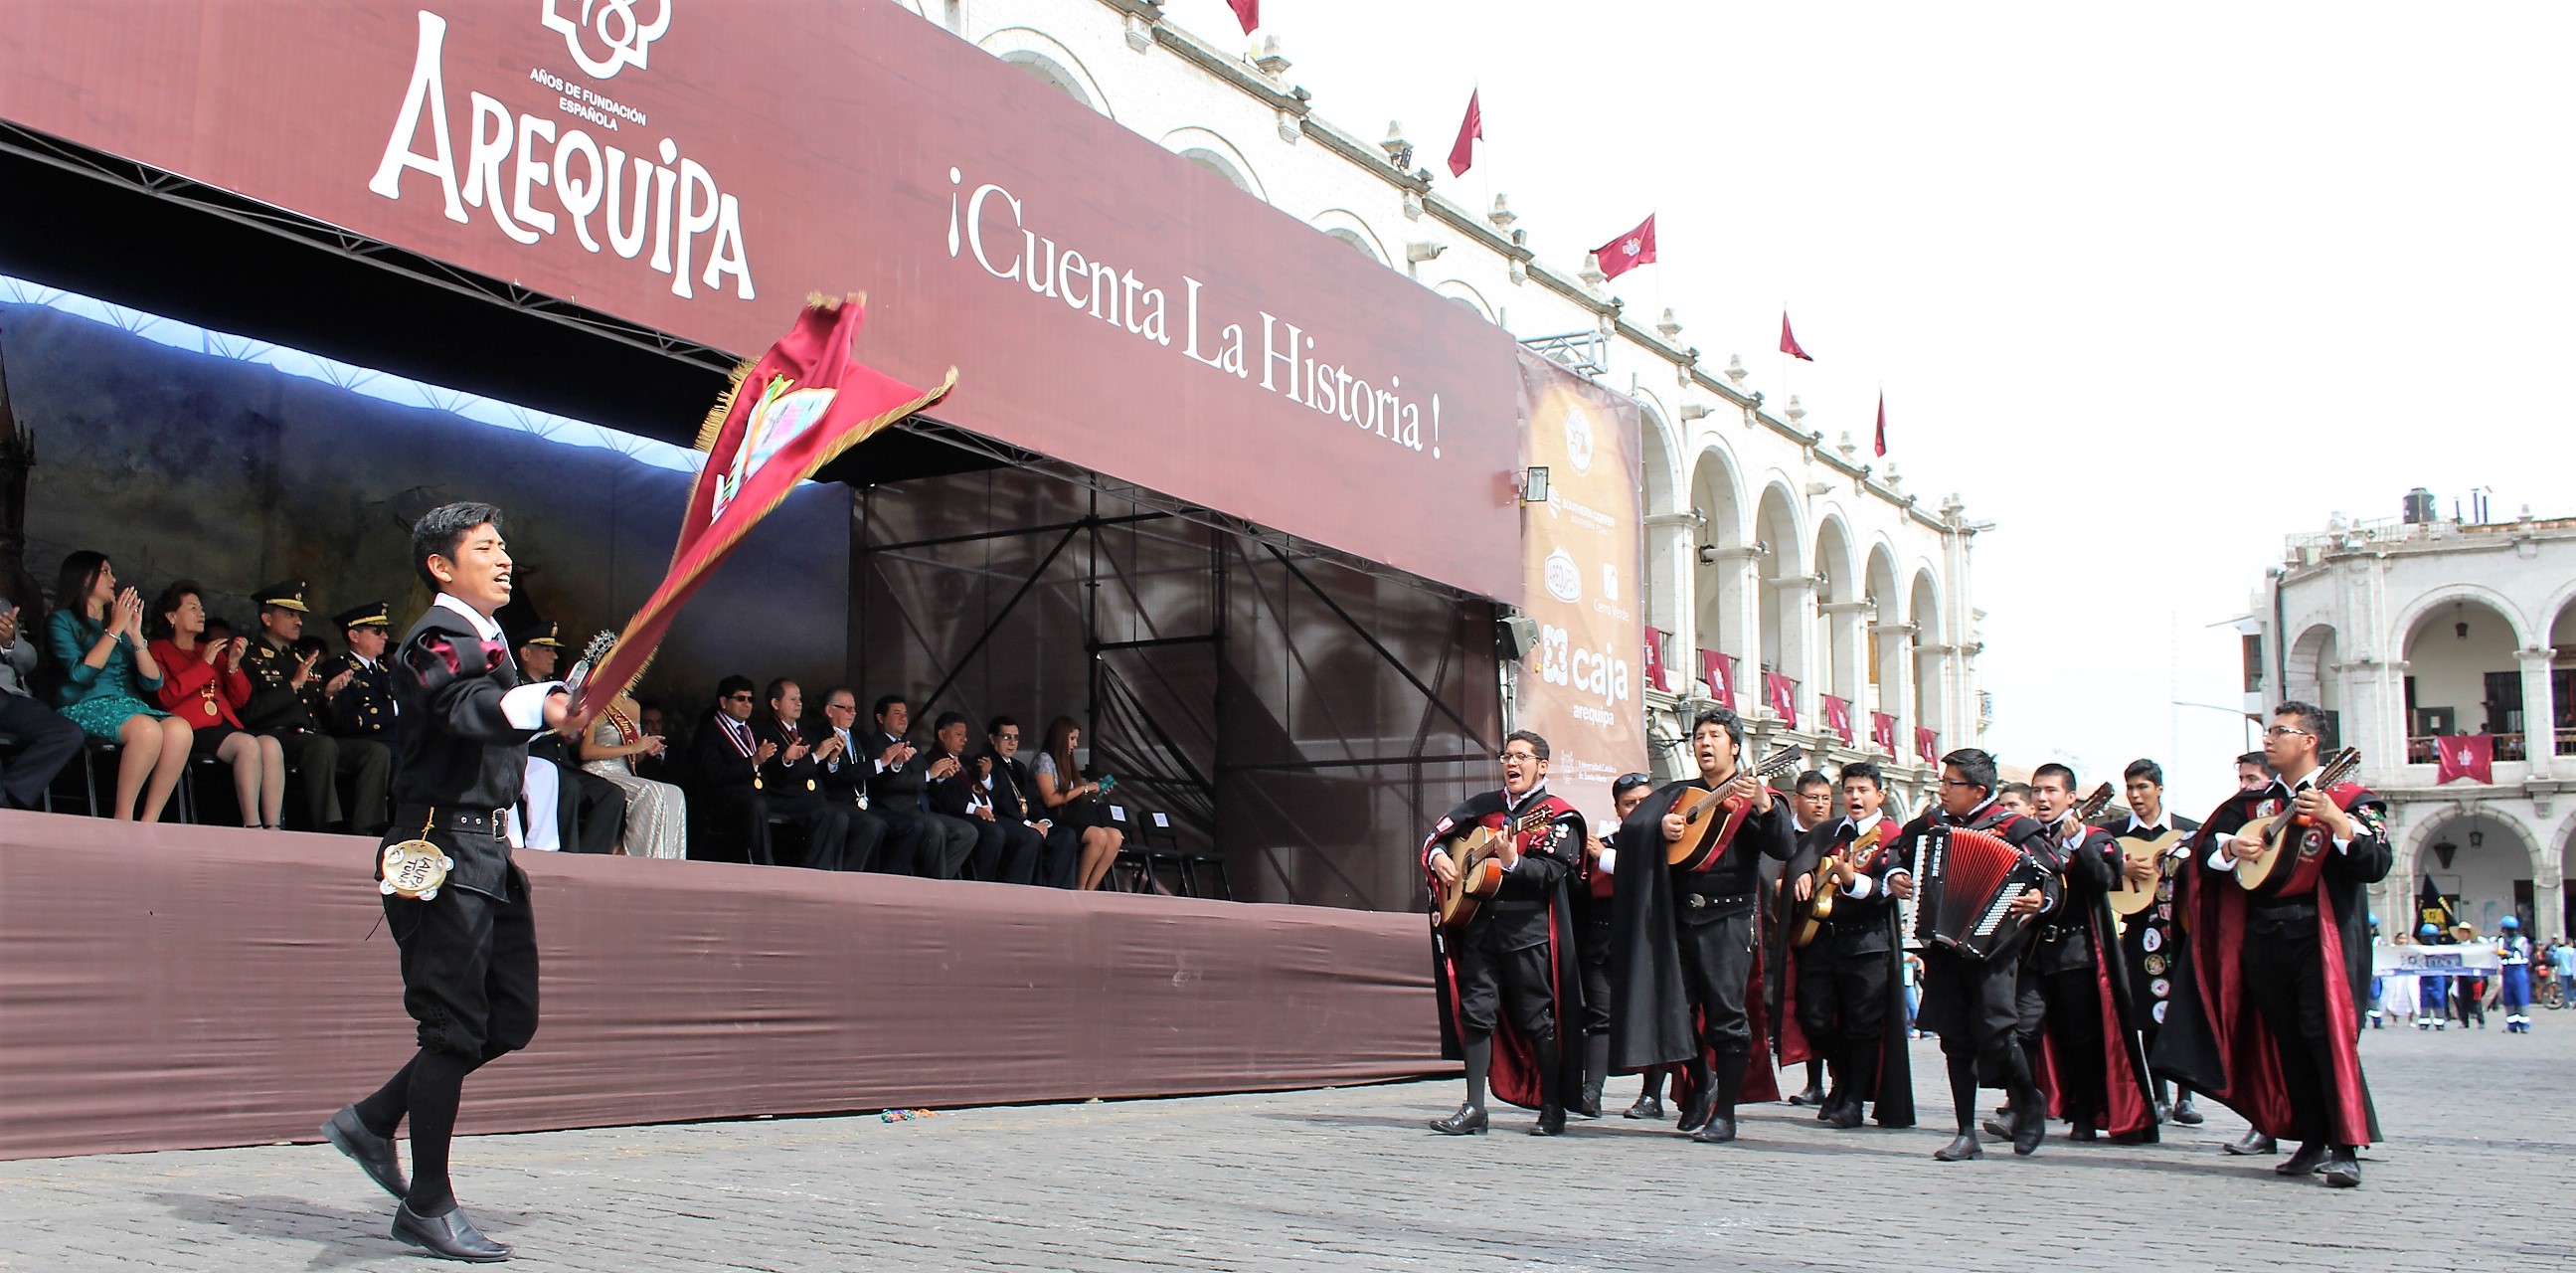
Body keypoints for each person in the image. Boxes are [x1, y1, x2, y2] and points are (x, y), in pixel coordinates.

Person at [320, 501, 569, 1262]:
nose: (503, 558)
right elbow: (464, 707)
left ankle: (373, 1120)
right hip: (439, 847)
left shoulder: (484, 640)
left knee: (508, 1019)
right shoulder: (435, 638)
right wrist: (542, 700)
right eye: (485, 547)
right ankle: (426, 1204)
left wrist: (556, 703)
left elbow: (491, 714)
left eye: (503, 545)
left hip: (487, 852)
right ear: (440, 564)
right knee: (452, 1028)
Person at [2154, 700, 2390, 1188]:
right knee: (2285, 1039)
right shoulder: (2251, 805)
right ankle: (2310, 1138)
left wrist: (2337, 821)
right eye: (2267, 730)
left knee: (2325, 1036)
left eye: (2279, 731)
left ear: (2309, 742)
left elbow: (2376, 861)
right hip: (2263, 935)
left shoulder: (2349, 798)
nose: (2267, 739)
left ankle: (2344, 1146)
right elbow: (2200, 853)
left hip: (2321, 937)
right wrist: (2229, 848)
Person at [1609, 705, 1794, 1145]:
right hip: (1677, 917)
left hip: (1727, 919)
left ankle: (1724, 1113)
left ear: (1735, 747)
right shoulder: (1676, 796)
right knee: (1672, 1009)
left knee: (1726, 1016)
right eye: (1699, 737)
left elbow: (1783, 846)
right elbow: (1633, 830)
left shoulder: (1756, 796)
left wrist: (1765, 804)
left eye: (1714, 736)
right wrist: (1659, 829)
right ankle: (1701, 1079)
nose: (1705, 743)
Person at [1423, 729, 1586, 1136]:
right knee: (1476, 1013)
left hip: (1527, 932)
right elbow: (1437, 837)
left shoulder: (1558, 814)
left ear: (1542, 766)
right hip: (1480, 927)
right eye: (1507, 756)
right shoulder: (1483, 807)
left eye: (1521, 757)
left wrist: (1512, 860)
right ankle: (1474, 1107)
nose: (1512, 763)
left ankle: (1552, 1107)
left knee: (1536, 1017)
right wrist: (1440, 856)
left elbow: (1552, 873)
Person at [1895, 748, 2055, 1162]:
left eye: (1951, 783)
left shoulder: (2015, 828)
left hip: (1994, 949)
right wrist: (1896, 873)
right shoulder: (1931, 824)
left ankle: (2028, 1099)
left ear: (1979, 790)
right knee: (1954, 1039)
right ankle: (1966, 1132)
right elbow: (1895, 851)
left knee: (1997, 1033)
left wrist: (2040, 899)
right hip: (1944, 946)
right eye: (1942, 782)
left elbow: (2051, 876)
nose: (1943, 791)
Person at [2024, 763, 2157, 1145]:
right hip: (2031, 952)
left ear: (2071, 798)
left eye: (2051, 791)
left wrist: (2079, 841)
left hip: (2076, 953)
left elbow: (2103, 880)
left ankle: (2084, 1112)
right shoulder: (2026, 838)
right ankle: (2024, 1106)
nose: (2042, 798)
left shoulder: (2096, 838)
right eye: (2037, 791)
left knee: (2080, 1038)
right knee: (2022, 1030)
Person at [1781, 761, 1917, 1130]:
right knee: (1814, 1017)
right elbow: (1799, 861)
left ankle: (1853, 1097)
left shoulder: (1892, 835)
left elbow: (1887, 886)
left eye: (1863, 790)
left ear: (1880, 795)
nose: (1855, 797)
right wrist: (1802, 875)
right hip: (1821, 940)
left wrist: (1851, 879)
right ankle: (1842, 1078)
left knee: (1862, 1023)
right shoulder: (1829, 831)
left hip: (1867, 943)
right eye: (1850, 790)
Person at [44, 552, 192, 821]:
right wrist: (114, 629)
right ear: (84, 577)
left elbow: (153, 681)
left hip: (128, 706)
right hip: (83, 704)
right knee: (147, 730)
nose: (113, 579)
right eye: (105, 572)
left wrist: (134, 635)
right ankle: (123, 818)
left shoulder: (119, 626)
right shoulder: (62, 620)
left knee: (180, 730)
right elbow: (80, 674)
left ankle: (149, 821)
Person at [240, 582, 390, 834]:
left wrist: (329, 697)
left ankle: (366, 829)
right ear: (267, 618)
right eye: (290, 614)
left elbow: (326, 720)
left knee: (374, 751)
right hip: (275, 736)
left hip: (314, 737)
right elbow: (249, 711)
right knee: (322, 746)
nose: (298, 621)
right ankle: (326, 827)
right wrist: (293, 685)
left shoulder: (301, 658)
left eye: (299, 615)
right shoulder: (250, 657)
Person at [2105, 758, 2204, 1125]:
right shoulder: (2114, 835)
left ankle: (2186, 1097)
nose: (2136, 795)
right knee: (2148, 1012)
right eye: (2130, 788)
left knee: (2182, 1011)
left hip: (2181, 931)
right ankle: (2158, 1096)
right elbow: (2096, 875)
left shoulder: (2188, 832)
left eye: (2143, 787)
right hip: (2139, 932)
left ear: (2159, 789)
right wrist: (2122, 868)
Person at [148, 581, 286, 829]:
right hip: (191, 728)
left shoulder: (208, 648)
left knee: (271, 745)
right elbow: (165, 697)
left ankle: (273, 828)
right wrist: (203, 664)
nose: (201, 613)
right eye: (192, 608)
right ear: (171, 616)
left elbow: (240, 699)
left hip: (224, 724)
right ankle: (252, 826)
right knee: (247, 745)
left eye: (201, 608)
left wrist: (232, 665)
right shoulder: (158, 650)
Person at [1578, 772, 1655, 1118]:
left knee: (1650, 1017)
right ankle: (1591, 1091)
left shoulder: (1669, 839)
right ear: (1617, 809)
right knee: (1600, 1017)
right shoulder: (1602, 842)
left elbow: (1650, 875)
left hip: (1647, 940)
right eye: (1629, 803)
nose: (1637, 809)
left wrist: (1605, 857)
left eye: (1644, 802)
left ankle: (1651, 1096)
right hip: (1602, 941)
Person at [574, 641, 688, 859]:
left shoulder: (633, 706)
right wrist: (633, 747)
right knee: (654, 793)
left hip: (623, 772)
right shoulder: (594, 700)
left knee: (675, 793)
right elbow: (586, 752)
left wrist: (646, 749)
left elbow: (634, 756)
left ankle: (665, 862)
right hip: (599, 772)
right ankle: (633, 858)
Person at [514, 625, 620, 855]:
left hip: (561, 763)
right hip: (532, 763)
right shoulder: (514, 687)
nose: (554, 656)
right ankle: (567, 858)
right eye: (546, 650)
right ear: (526, 653)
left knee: (612, 794)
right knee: (569, 789)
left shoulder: (555, 688)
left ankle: (591, 860)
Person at [750, 679, 860, 871]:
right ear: (775, 703)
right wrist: (815, 756)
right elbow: (778, 776)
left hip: (812, 797)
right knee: (827, 814)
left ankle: (834, 873)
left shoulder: (805, 731)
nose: (799, 703)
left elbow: (821, 773)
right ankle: (813, 872)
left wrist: (832, 758)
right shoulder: (766, 733)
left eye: (800, 699)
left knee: (844, 818)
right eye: (792, 699)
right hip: (784, 796)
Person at [862, 694, 973, 879]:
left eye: (905, 713)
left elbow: (926, 776)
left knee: (967, 832)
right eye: (897, 713)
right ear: (880, 718)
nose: (903, 718)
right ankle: (934, 884)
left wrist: (940, 776)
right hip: (896, 809)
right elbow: (889, 782)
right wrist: (930, 774)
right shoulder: (875, 745)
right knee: (935, 828)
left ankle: (939, 880)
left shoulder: (910, 743)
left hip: (921, 808)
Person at [1777, 769, 1837, 1108]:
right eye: (1813, 798)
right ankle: (1814, 1082)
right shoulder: (1783, 836)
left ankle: (1838, 1081)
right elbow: (1769, 872)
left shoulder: (1838, 835)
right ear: (1797, 799)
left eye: (1826, 798)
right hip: (1791, 933)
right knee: (1805, 1010)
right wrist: (1787, 880)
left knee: (1829, 1012)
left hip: (1830, 935)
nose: (1820, 805)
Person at [0, 590, 86, 810]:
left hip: (6, 695)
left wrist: (9, 642)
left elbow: (28, 662)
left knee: (67, 733)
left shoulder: (2, 606)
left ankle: (8, 797)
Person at [928, 710, 1036, 883]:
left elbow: (989, 790)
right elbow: (941, 796)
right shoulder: (932, 760)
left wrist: (985, 776)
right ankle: (983, 886)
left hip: (988, 813)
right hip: (962, 814)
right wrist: (975, 809)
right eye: (959, 735)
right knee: (995, 833)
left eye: (965, 735)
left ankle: (1014, 888)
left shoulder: (966, 761)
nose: (965, 739)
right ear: (942, 735)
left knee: (1029, 836)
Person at [685, 676, 777, 864]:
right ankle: (766, 868)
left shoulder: (753, 730)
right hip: (724, 799)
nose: (747, 704)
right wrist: (753, 761)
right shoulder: (709, 732)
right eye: (740, 698)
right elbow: (714, 774)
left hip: (757, 794)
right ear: (723, 702)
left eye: (750, 699)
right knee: (756, 805)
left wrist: (786, 759)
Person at [1033, 715, 1121, 890]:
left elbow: (1074, 796)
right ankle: (1080, 888)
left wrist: (1094, 791)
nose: (1075, 744)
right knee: (1098, 836)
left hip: (1072, 814)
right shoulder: (1044, 760)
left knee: (1115, 836)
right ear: (1060, 738)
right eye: (1072, 738)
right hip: (1054, 817)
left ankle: (1090, 889)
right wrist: (1084, 788)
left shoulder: (1067, 762)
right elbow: (1050, 799)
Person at [981, 716, 1063, 887]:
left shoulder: (1018, 766)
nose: (1012, 743)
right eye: (1006, 737)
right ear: (992, 738)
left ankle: (1056, 891)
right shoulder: (986, 763)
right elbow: (999, 801)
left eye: (1016, 738)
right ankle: (1016, 891)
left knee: (1065, 836)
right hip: (1003, 819)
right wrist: (1028, 823)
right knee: (1031, 836)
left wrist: (1043, 821)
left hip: (1026, 820)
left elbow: (1031, 800)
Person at [325, 603, 400, 746]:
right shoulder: (337, 669)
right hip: (368, 745)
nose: (385, 636)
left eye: (385, 630)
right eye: (377, 630)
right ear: (354, 636)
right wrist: (395, 708)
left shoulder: (390, 670)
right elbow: (345, 720)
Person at [2493, 917, 2533, 1033]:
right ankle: (2512, 1024)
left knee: (2521, 996)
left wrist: (2506, 953)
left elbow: (2522, 955)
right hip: (2507, 970)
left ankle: (2524, 1025)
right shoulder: (2501, 940)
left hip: (2518, 970)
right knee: (2508, 997)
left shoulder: (2521, 940)